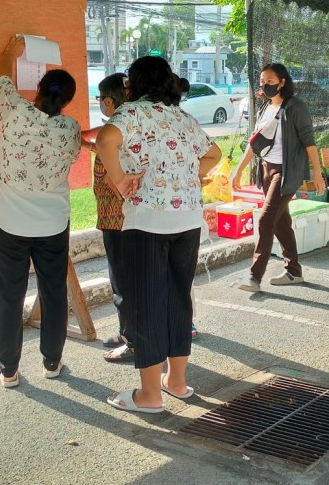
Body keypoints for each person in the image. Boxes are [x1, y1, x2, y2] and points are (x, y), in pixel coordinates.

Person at [95, 56, 221, 413]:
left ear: (132, 85)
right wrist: (188, 175)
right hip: (187, 220)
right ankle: (177, 382)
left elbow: (105, 140)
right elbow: (213, 154)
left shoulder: (131, 113)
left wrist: (120, 180)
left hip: (148, 221)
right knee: (178, 298)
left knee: (147, 305)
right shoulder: (181, 116)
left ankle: (149, 395)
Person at [0, 36, 82, 388]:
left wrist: (10, 52)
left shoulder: (13, 109)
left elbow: (1, 79)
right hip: (52, 223)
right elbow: (71, 158)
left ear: (39, 88)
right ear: (68, 100)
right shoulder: (70, 129)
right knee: (53, 291)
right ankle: (52, 362)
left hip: (9, 221)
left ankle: (9, 370)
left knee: (9, 293)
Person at [232, 63, 325, 291]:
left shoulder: (296, 106)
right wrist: (238, 169)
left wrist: (317, 173)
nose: (265, 84)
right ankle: (293, 271)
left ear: (283, 82)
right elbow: (254, 142)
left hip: (286, 172)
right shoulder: (265, 107)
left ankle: (254, 276)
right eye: (263, 80)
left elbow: (308, 140)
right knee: (281, 221)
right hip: (266, 168)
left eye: (271, 81)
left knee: (265, 220)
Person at [90, 73, 137, 364]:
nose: (101, 106)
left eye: (100, 100)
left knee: (123, 281)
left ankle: (132, 341)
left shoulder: (116, 127)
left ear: (109, 100)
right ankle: (126, 331)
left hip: (119, 219)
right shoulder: (129, 124)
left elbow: (113, 170)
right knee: (126, 279)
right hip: (124, 218)